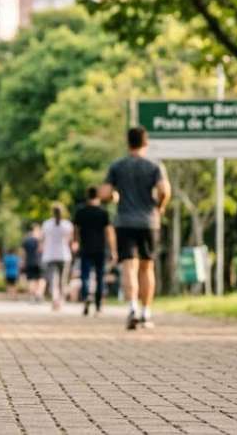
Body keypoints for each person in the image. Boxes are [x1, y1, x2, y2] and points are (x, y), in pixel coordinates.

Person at [100, 126, 171, 330]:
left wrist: (114, 196)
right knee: (147, 266)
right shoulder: (155, 165)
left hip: (124, 222)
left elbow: (104, 193)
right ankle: (146, 312)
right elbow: (164, 190)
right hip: (149, 221)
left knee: (129, 266)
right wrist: (160, 207)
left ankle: (132, 308)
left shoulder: (117, 166)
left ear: (128, 143)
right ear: (145, 143)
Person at [74, 187, 117, 316]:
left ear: (88, 196)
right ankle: (98, 306)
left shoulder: (81, 212)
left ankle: (86, 296)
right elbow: (109, 232)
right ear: (98, 196)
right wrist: (114, 250)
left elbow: (75, 229)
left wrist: (75, 242)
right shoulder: (103, 212)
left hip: (85, 248)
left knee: (85, 276)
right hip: (100, 249)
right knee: (99, 277)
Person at [41, 203, 74, 312]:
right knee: (62, 281)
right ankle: (60, 301)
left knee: (53, 280)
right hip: (64, 255)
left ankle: (55, 299)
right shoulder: (67, 225)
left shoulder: (46, 224)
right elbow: (70, 240)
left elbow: (43, 240)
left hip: (50, 255)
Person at [21, 223, 44, 302]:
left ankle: (32, 296)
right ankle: (39, 294)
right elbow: (41, 250)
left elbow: (23, 253)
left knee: (31, 280)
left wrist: (23, 262)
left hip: (29, 262)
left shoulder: (26, 240)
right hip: (39, 262)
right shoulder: (39, 239)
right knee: (41, 279)